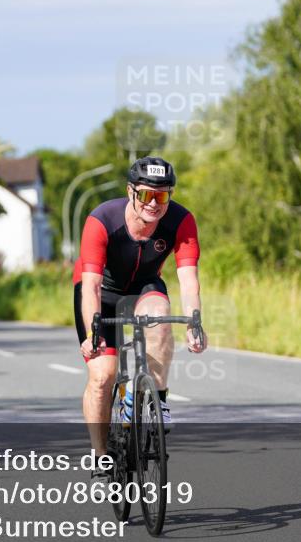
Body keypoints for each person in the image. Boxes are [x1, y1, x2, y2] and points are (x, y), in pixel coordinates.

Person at [73, 156, 206, 481]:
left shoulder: (181, 220)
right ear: (130, 191)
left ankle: (157, 399)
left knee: (160, 318)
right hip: (102, 292)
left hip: (145, 286)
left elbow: (188, 279)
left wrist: (195, 322)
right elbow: (90, 285)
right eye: (146, 194)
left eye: (162, 196)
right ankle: (100, 455)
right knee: (102, 376)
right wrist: (92, 333)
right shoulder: (102, 219)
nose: (154, 204)